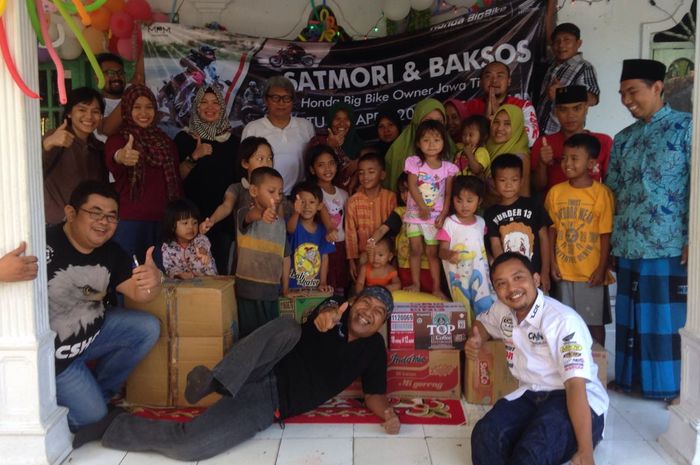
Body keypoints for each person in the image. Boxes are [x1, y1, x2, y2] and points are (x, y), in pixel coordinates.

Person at [98, 286, 398, 460]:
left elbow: (374, 393)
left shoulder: (374, 348)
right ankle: (213, 381)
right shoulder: (335, 311)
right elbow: (324, 313)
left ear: (382, 323)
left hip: (269, 400)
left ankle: (113, 426)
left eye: (378, 312)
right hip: (259, 364)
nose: (368, 312)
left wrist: (388, 414)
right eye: (366, 302)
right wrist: (328, 314)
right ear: (353, 302)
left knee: (190, 446)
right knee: (288, 328)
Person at [46, 180, 161, 444]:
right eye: (95, 213)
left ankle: (101, 391)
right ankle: (71, 404)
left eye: (111, 216)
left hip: (90, 336)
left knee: (147, 328)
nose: (104, 222)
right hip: (56, 361)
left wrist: (153, 282)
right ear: (71, 213)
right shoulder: (43, 243)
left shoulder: (112, 252)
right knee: (93, 418)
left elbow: (140, 293)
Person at [467, 252, 608, 465]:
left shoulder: (562, 320)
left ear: (536, 279)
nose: (512, 288)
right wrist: (477, 338)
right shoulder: (502, 310)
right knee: (485, 435)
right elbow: (482, 324)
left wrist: (585, 451)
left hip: (575, 398)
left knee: (532, 452)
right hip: (531, 394)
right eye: (501, 283)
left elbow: (575, 386)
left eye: (518, 278)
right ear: (495, 290)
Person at [606, 59, 691, 401]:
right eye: (622, 94)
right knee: (631, 317)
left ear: (658, 87)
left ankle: (669, 386)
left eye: (632, 92)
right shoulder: (623, 139)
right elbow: (612, 193)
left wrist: (694, 239)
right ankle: (631, 380)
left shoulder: (687, 128)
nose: (626, 100)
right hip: (628, 241)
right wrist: (610, 243)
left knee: (663, 318)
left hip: (668, 242)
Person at [545, 134, 613, 346]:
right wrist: (552, 264)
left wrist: (601, 268)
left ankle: (597, 364)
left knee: (593, 324)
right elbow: (551, 231)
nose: (567, 163)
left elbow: (605, 234)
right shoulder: (556, 193)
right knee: (563, 323)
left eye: (575, 158)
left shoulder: (601, 194)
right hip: (563, 271)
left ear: (591, 163)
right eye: (564, 158)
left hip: (590, 273)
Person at [105, 84, 183, 262]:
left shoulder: (166, 142)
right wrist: (121, 156)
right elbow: (114, 156)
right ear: (127, 109)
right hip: (131, 221)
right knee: (128, 272)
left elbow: (176, 181)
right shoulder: (119, 139)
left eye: (149, 107)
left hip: (165, 221)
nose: (144, 113)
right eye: (137, 107)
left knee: (161, 273)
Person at [174, 85, 240, 274]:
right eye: (204, 102)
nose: (210, 107)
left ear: (222, 108)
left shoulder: (233, 142)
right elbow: (175, 178)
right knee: (186, 273)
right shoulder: (184, 138)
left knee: (218, 274)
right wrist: (194, 156)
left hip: (221, 222)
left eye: (215, 103)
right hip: (188, 221)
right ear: (196, 106)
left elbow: (237, 183)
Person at [403, 119, 458, 299]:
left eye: (436, 139)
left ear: (443, 142)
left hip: (434, 219)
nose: (431, 144)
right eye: (426, 140)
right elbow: (412, 185)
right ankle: (416, 284)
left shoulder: (448, 168)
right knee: (415, 250)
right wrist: (422, 206)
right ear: (418, 143)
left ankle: (436, 288)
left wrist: (443, 214)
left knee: (433, 254)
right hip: (414, 215)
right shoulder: (415, 163)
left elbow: (448, 194)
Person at [484, 154, 551, 293]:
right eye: (502, 180)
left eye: (514, 180)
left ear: (521, 181)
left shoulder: (534, 205)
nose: (508, 185)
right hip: (509, 281)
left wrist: (545, 271)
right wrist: (504, 273)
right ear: (493, 182)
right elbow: (495, 245)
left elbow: (544, 238)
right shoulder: (490, 213)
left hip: (536, 275)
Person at [234, 167, 289, 337]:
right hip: (248, 289)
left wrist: (285, 287)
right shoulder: (244, 213)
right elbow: (251, 216)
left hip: (272, 291)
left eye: (280, 192)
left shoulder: (281, 224)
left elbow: (285, 257)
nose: (277, 197)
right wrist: (263, 213)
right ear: (254, 191)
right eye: (271, 191)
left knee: (270, 337)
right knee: (251, 338)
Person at [42, 87, 109, 225]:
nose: (89, 116)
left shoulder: (98, 148)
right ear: (69, 113)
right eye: (82, 110)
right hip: (56, 225)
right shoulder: (55, 138)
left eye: (95, 111)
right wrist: (47, 144)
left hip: (87, 226)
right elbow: (28, 171)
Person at [241, 75, 315, 196]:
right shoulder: (252, 129)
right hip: (264, 198)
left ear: (293, 101)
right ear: (266, 100)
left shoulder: (306, 127)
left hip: (299, 197)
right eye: (275, 98)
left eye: (286, 98)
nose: (281, 103)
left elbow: (314, 162)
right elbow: (244, 168)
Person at [531, 85, 612, 194]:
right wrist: (542, 164)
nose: (570, 115)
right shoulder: (543, 143)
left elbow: (611, 185)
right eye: (563, 109)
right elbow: (536, 188)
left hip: (592, 204)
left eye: (576, 108)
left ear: (586, 108)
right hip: (553, 204)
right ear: (556, 112)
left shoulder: (604, 142)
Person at [437, 175, 495, 321]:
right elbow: (441, 251)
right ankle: (468, 333)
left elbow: (480, 246)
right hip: (458, 278)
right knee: (464, 311)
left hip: (481, 276)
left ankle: (483, 331)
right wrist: (449, 255)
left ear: (479, 201)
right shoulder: (450, 223)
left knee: (485, 306)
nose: (464, 205)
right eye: (459, 200)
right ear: (453, 200)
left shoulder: (481, 222)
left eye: (469, 201)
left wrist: (491, 259)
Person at [369, 173, 434, 293]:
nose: (405, 195)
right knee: (407, 295)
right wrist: (371, 241)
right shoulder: (400, 212)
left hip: (427, 265)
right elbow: (383, 229)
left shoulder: (432, 212)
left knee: (428, 297)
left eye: (409, 190)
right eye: (402, 191)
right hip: (404, 264)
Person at [536, 23, 600, 135]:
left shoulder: (584, 67)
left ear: (578, 43)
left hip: (564, 134)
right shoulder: (552, 65)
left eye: (567, 40)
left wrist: (562, 94)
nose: (561, 45)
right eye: (557, 41)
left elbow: (593, 99)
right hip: (539, 131)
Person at [384, 98, 456, 192]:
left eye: (439, 122)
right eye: (427, 121)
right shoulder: (398, 151)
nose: (433, 127)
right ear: (416, 122)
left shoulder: (451, 150)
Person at [306, 145, 350, 294]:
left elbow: (347, 223)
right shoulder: (311, 193)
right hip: (320, 246)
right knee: (322, 285)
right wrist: (330, 228)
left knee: (339, 286)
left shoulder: (344, 194)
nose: (327, 168)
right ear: (312, 169)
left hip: (341, 246)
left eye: (331, 163)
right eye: (321, 165)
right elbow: (322, 208)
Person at [345, 153, 397, 280]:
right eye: (361, 173)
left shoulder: (390, 198)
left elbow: (395, 229)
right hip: (363, 257)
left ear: (382, 175)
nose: (365, 177)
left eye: (371, 172)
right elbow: (350, 233)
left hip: (386, 258)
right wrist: (352, 260)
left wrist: (394, 256)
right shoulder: (353, 201)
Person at [464, 61, 539, 146]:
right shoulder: (468, 107)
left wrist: (499, 115)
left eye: (500, 76)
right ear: (480, 82)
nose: (494, 80)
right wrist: (484, 123)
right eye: (488, 76)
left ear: (509, 81)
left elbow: (531, 140)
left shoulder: (523, 106)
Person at [283, 182, 335, 294]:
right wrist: (296, 213)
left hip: (313, 288)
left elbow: (324, 258)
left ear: (319, 206)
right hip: (291, 288)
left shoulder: (323, 231)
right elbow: (290, 229)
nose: (307, 206)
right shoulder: (293, 224)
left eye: (312, 202)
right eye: (302, 202)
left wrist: (323, 282)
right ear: (294, 204)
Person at [309, 102, 365, 188]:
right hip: (324, 192)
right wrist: (329, 146)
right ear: (330, 120)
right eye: (337, 119)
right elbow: (312, 167)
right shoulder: (317, 141)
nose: (342, 123)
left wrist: (359, 163)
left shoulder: (359, 144)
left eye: (346, 119)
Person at [161, 199, 217, 279]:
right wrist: (179, 275)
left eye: (195, 223)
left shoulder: (200, 238)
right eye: (185, 223)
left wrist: (202, 253)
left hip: (209, 281)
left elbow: (203, 246)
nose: (191, 227)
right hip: (185, 284)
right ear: (172, 226)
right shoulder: (167, 247)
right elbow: (169, 268)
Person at [485, 104, 531, 201]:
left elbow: (523, 198)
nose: (500, 128)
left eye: (507, 124)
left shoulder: (520, 158)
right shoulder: (487, 148)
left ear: (517, 126)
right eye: (496, 122)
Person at [95, 52, 145, 139]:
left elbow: (138, 76)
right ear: (97, 77)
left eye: (120, 72)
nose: (117, 77)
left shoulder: (130, 89)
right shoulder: (96, 103)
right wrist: (130, 95)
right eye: (110, 73)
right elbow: (107, 129)